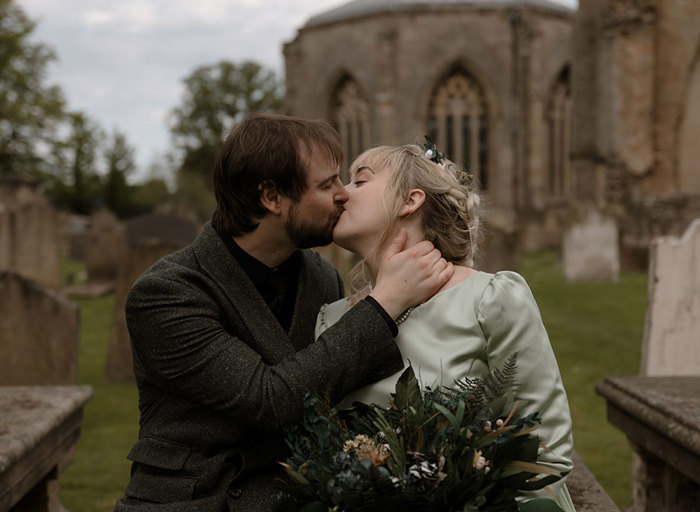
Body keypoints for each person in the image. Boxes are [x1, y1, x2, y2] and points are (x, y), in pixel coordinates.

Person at [113, 114, 453, 512]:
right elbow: (270, 400)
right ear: (271, 197)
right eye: (327, 184)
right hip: (192, 501)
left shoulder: (322, 278)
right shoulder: (167, 293)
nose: (344, 194)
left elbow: (331, 385)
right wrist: (384, 304)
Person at [315, 143, 577, 511]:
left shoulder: (489, 299)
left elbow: (544, 448)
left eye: (359, 180)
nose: (341, 193)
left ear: (410, 200)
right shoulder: (331, 319)